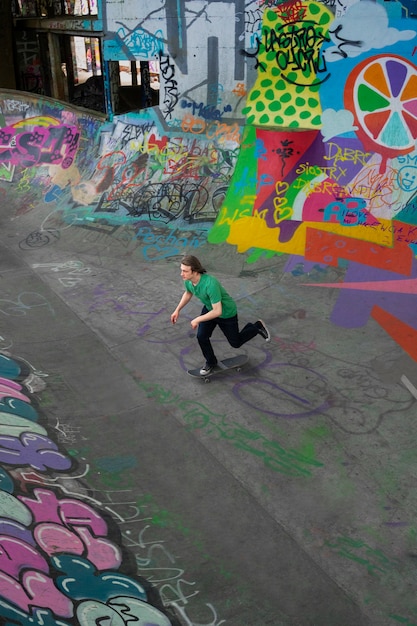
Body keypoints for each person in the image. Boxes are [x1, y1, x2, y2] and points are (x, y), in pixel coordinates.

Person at [171, 255, 270, 375]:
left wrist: (197, 319)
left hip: (226, 313)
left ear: (195, 271)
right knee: (202, 336)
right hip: (209, 309)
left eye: (185, 271)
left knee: (236, 343)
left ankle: (257, 326)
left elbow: (218, 311)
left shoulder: (210, 284)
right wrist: (177, 310)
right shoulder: (188, 281)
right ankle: (211, 362)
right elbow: (188, 293)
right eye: (181, 270)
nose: (182, 274)